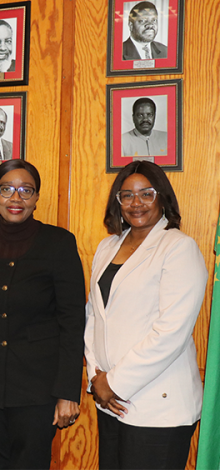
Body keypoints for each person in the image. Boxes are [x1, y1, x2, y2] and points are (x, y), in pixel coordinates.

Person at [0, 159, 86, 470]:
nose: (16, 198)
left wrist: (68, 392)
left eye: (26, 190)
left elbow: (72, 322)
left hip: (37, 389)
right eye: (6, 189)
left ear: (36, 197)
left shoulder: (59, 243)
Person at [85, 160, 207, 470]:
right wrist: (96, 378)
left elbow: (171, 332)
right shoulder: (107, 246)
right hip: (110, 403)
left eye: (146, 194)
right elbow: (93, 316)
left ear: (162, 198)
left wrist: (115, 382)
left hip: (158, 406)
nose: (135, 203)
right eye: (127, 195)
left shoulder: (179, 248)